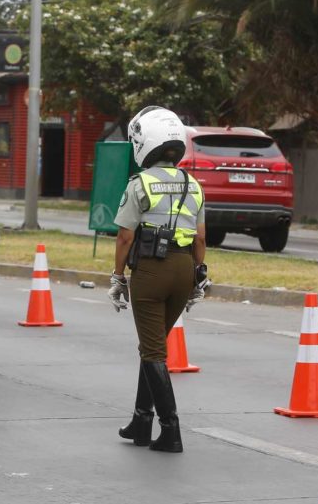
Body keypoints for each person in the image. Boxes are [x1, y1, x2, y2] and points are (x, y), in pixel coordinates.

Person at [108, 106, 209, 454]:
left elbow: (124, 237)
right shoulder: (193, 184)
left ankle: (171, 430)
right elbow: (200, 239)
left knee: (152, 351)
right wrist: (199, 276)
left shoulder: (140, 183)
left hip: (151, 271)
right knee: (153, 348)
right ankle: (140, 421)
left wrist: (118, 277)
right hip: (184, 270)